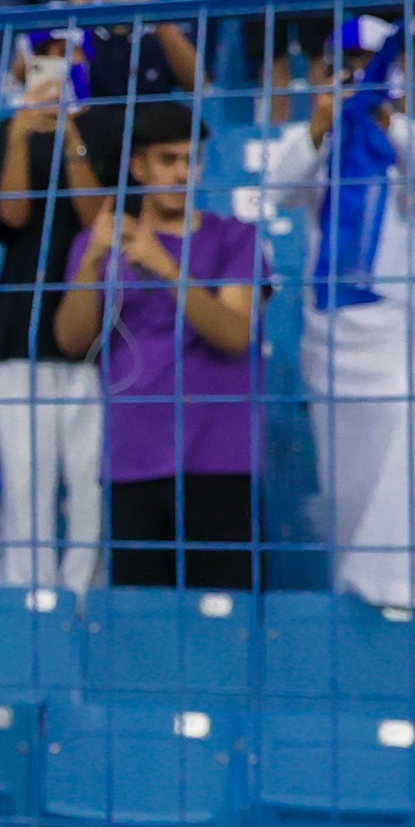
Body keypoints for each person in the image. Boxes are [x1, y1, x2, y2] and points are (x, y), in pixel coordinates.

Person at [266, 18, 415, 616]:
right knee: (342, 473)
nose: (353, 74)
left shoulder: (413, 135)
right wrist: (321, 126)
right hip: (331, 336)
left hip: (396, 334)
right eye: (342, 64)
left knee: (401, 465)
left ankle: (408, 592)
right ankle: (349, 588)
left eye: (366, 63)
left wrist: (383, 119)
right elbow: (277, 189)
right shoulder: (312, 138)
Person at [54, 104, 268, 589]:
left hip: (221, 458)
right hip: (134, 460)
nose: (179, 173)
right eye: (167, 160)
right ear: (139, 167)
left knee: (226, 623)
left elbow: (234, 334)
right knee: (143, 627)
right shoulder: (100, 243)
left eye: (189, 161)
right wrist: (90, 263)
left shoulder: (236, 238)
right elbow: (71, 340)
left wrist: (165, 266)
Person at [0, 35, 108, 593]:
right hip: (16, 325)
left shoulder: (102, 130)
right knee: (26, 476)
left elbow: (92, 216)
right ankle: (27, 594)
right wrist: (20, 134)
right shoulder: (8, 133)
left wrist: (71, 134)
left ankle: (82, 595)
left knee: (87, 479)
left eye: (65, 55)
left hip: (87, 328)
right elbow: (11, 215)